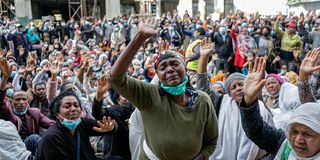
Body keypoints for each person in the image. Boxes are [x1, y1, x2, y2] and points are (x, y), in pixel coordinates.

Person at [109, 19, 218, 159]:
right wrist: (139, 38)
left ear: (185, 68)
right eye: (163, 67)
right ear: (158, 76)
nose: (170, 69)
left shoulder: (202, 100)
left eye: (174, 64)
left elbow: (211, 142)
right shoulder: (149, 96)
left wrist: (200, 157)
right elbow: (115, 78)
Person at [196, 43, 274, 160]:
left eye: (241, 84)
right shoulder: (221, 102)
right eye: (233, 87)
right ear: (229, 93)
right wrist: (204, 57)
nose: (238, 88)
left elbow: (271, 135)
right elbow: (203, 87)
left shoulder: (260, 106)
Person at [239, 55, 320, 160]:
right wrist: (249, 100)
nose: (298, 140)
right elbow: (256, 130)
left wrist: (303, 79)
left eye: (307, 134)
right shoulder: (283, 142)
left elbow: (313, 114)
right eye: (294, 132)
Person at [37, 91, 116, 160]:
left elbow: (107, 124)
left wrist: (111, 127)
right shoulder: (52, 138)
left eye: (76, 105)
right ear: (57, 114)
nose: (73, 109)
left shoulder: (82, 124)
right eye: (67, 106)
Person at [0, 58, 54, 141]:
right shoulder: (8, 111)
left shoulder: (35, 113)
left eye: (24, 99)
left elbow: (52, 125)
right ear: (12, 101)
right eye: (17, 100)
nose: (21, 102)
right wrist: (5, 78)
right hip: (13, 146)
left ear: (27, 101)